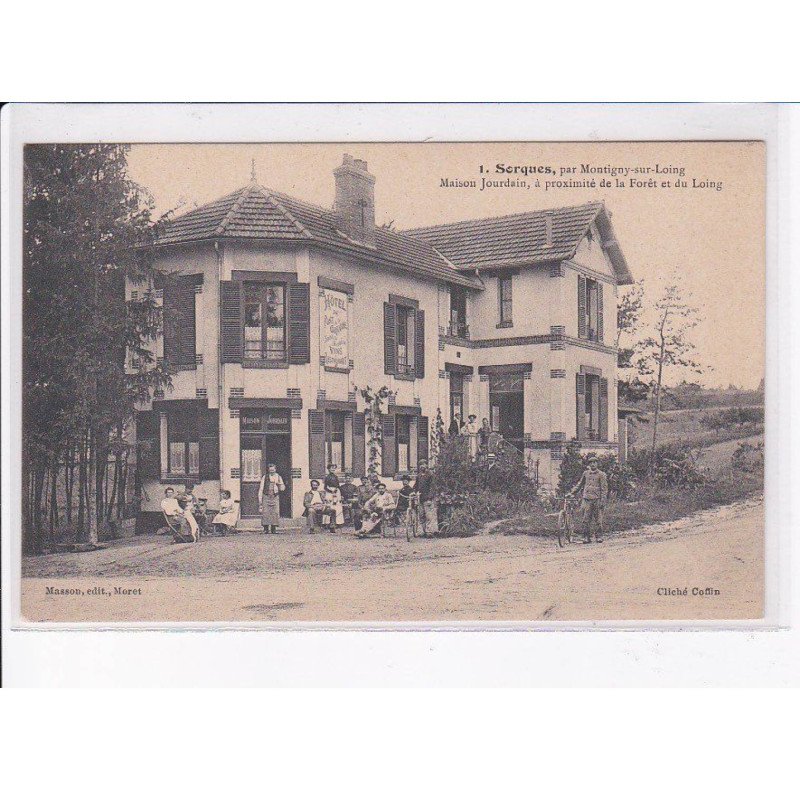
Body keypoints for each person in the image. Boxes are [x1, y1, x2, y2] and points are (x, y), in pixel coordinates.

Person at [569, 457, 609, 543]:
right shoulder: (586, 473)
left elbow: (604, 489)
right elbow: (580, 484)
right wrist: (572, 492)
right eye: (591, 462)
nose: (593, 464)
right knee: (585, 519)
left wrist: (603, 500)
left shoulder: (601, 474)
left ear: (597, 464)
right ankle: (586, 537)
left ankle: (599, 536)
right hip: (586, 499)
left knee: (598, 520)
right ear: (589, 464)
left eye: (594, 462)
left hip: (597, 499)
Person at [258, 463, 286, 534]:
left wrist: (279, 484)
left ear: (275, 470)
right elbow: (261, 488)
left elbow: (283, 488)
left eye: (273, 470)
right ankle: (266, 529)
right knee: (266, 512)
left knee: (275, 512)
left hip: (275, 496)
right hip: (266, 495)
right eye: (270, 470)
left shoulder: (278, 477)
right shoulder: (265, 477)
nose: (272, 472)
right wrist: (260, 499)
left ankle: (273, 529)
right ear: (268, 470)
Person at [413, 460, 436, 535]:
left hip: (427, 498)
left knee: (428, 516)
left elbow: (432, 487)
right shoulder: (419, 476)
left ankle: (429, 531)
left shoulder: (430, 474)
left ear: (426, 465)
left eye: (423, 464)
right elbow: (416, 486)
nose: (422, 466)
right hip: (420, 498)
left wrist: (430, 498)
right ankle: (423, 531)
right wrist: (414, 491)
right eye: (420, 465)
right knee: (421, 515)